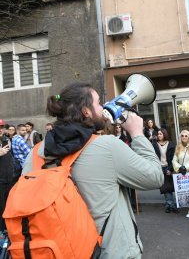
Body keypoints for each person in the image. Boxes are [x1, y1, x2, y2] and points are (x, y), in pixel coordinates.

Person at [22, 82, 164, 258]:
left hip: (57, 251)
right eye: (98, 103)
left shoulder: (35, 153)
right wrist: (137, 134)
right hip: (109, 252)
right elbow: (155, 177)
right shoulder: (107, 146)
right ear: (86, 111)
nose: (103, 107)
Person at [152, 128, 177, 213]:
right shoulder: (155, 144)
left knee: (170, 186)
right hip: (160, 167)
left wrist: (170, 169)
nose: (159, 135)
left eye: (161, 134)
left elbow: (174, 158)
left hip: (168, 166)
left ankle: (170, 204)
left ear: (164, 134)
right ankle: (170, 205)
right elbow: (153, 157)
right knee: (165, 187)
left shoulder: (171, 144)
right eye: (158, 134)